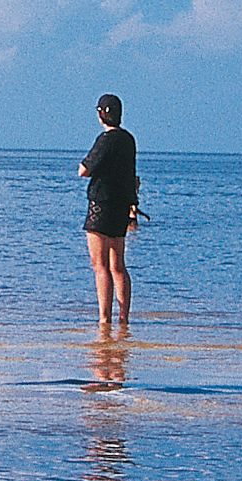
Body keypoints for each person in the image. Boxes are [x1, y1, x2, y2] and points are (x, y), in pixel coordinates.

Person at [79, 93, 138, 328]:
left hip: (101, 205)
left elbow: (85, 169)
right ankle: (124, 316)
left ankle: (104, 318)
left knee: (100, 265)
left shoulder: (105, 140)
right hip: (120, 205)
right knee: (118, 265)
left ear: (102, 113)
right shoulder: (129, 140)